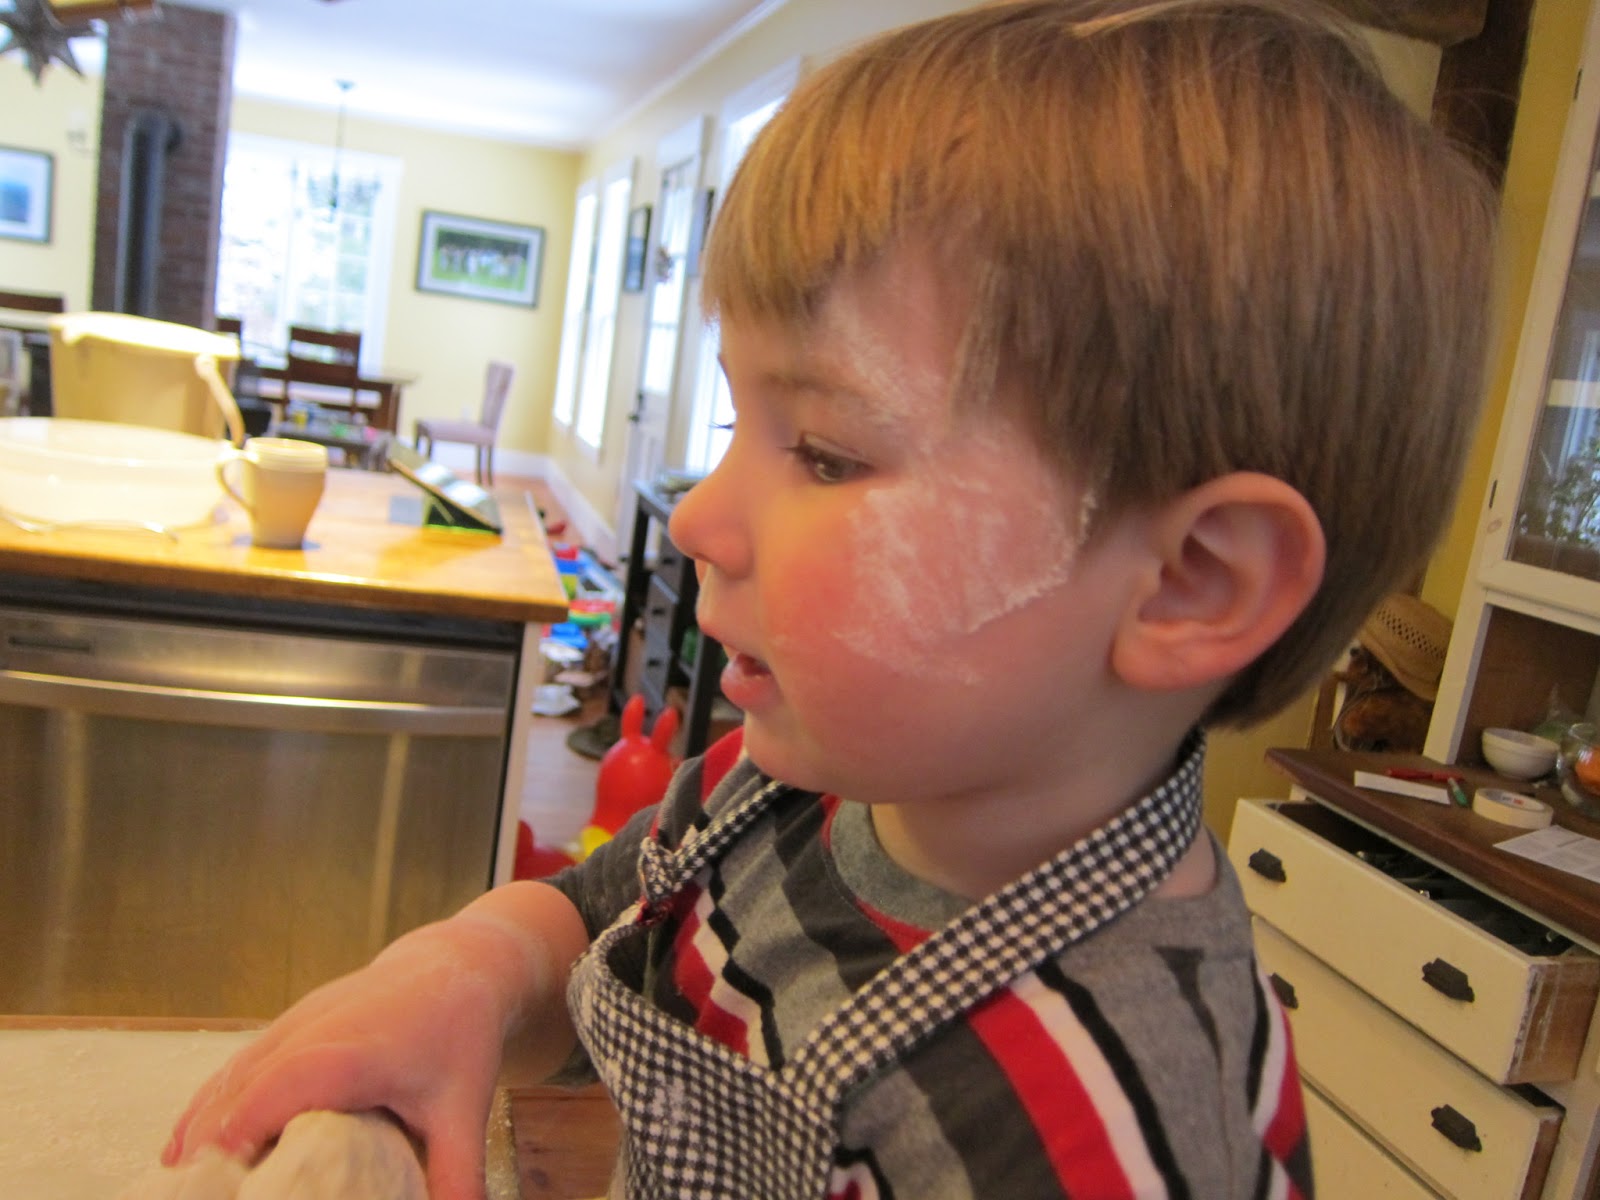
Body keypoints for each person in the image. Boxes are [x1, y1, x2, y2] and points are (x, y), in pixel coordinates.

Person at [163, 1, 1498, 1196]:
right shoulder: (828, 782)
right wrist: (467, 970)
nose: (695, 518)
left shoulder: (1094, 1139)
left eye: (826, 450)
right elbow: (601, 907)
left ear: (1191, 584)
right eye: (737, 413)